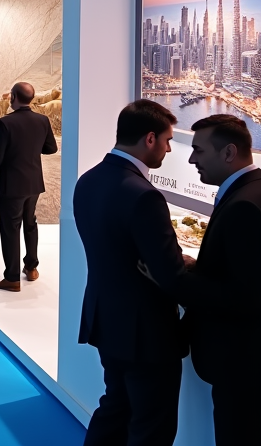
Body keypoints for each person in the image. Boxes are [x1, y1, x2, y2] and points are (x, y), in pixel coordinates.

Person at [74, 100, 188, 446]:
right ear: (150, 138)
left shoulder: (88, 180)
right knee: (151, 427)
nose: (170, 149)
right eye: (168, 140)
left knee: (115, 409)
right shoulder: (144, 196)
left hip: (106, 319)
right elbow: (169, 274)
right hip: (146, 333)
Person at [181, 114, 261, 446]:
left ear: (228, 153)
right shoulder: (249, 192)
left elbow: (246, 296)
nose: (191, 159)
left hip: (242, 364)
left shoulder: (244, 206)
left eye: (199, 150)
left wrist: (180, 277)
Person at [0, 81, 58, 292]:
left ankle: (12, 277)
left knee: (10, 228)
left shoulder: (5, 123)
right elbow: (51, 148)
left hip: (11, 184)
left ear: (14, 97)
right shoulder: (42, 120)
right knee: (30, 222)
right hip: (34, 183)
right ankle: (32, 268)